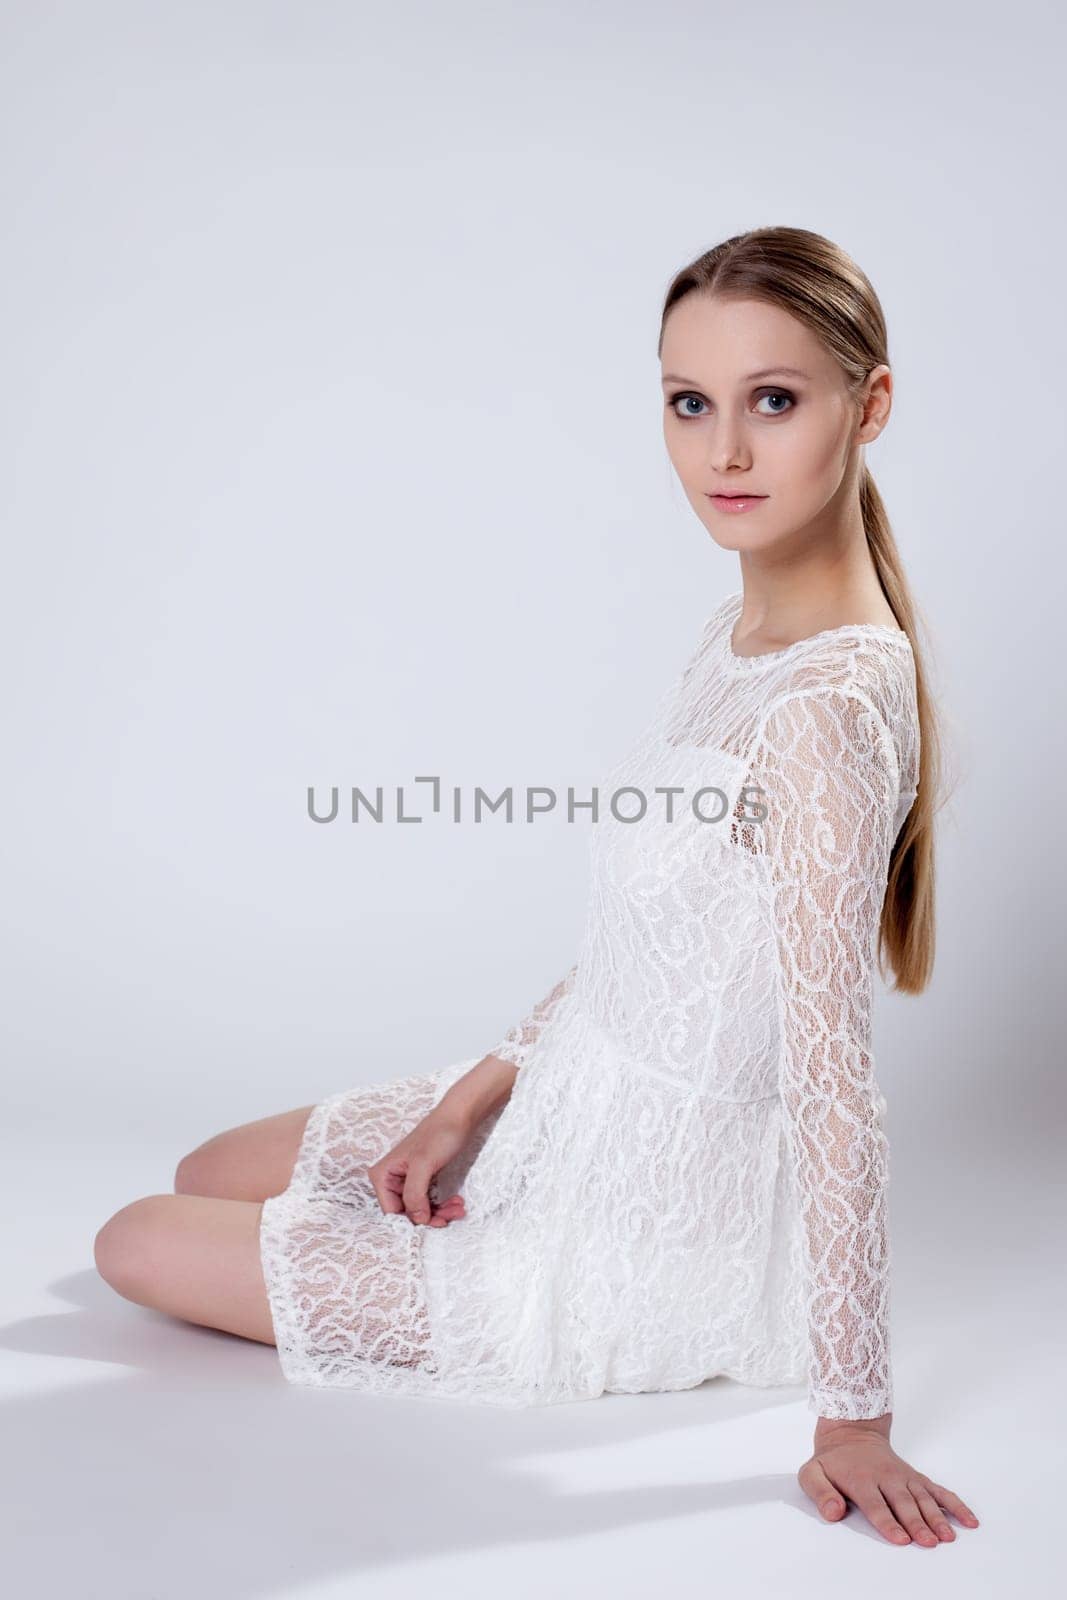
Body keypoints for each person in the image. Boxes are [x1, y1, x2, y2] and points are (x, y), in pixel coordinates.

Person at [94, 225, 980, 1548]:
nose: (723, 452)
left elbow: (833, 1079)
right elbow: (650, 941)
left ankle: (545, 1286)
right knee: (209, 1165)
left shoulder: (827, 707)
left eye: (774, 402)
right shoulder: (737, 642)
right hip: (574, 1098)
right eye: (690, 404)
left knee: (136, 1242)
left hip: (634, 1240)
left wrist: (853, 1415)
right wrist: (474, 1098)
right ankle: (477, 1141)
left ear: (872, 405)